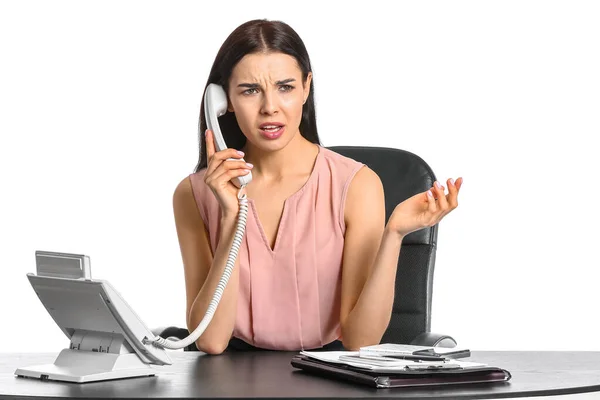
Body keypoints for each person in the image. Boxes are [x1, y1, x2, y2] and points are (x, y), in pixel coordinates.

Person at [172, 19, 463, 355]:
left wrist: (394, 233)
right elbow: (210, 341)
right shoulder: (192, 194)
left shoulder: (357, 185)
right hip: (229, 380)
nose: (270, 107)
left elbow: (360, 341)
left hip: (329, 374)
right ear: (224, 101)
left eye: (285, 87)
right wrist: (230, 218)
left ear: (306, 87)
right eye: (250, 90)